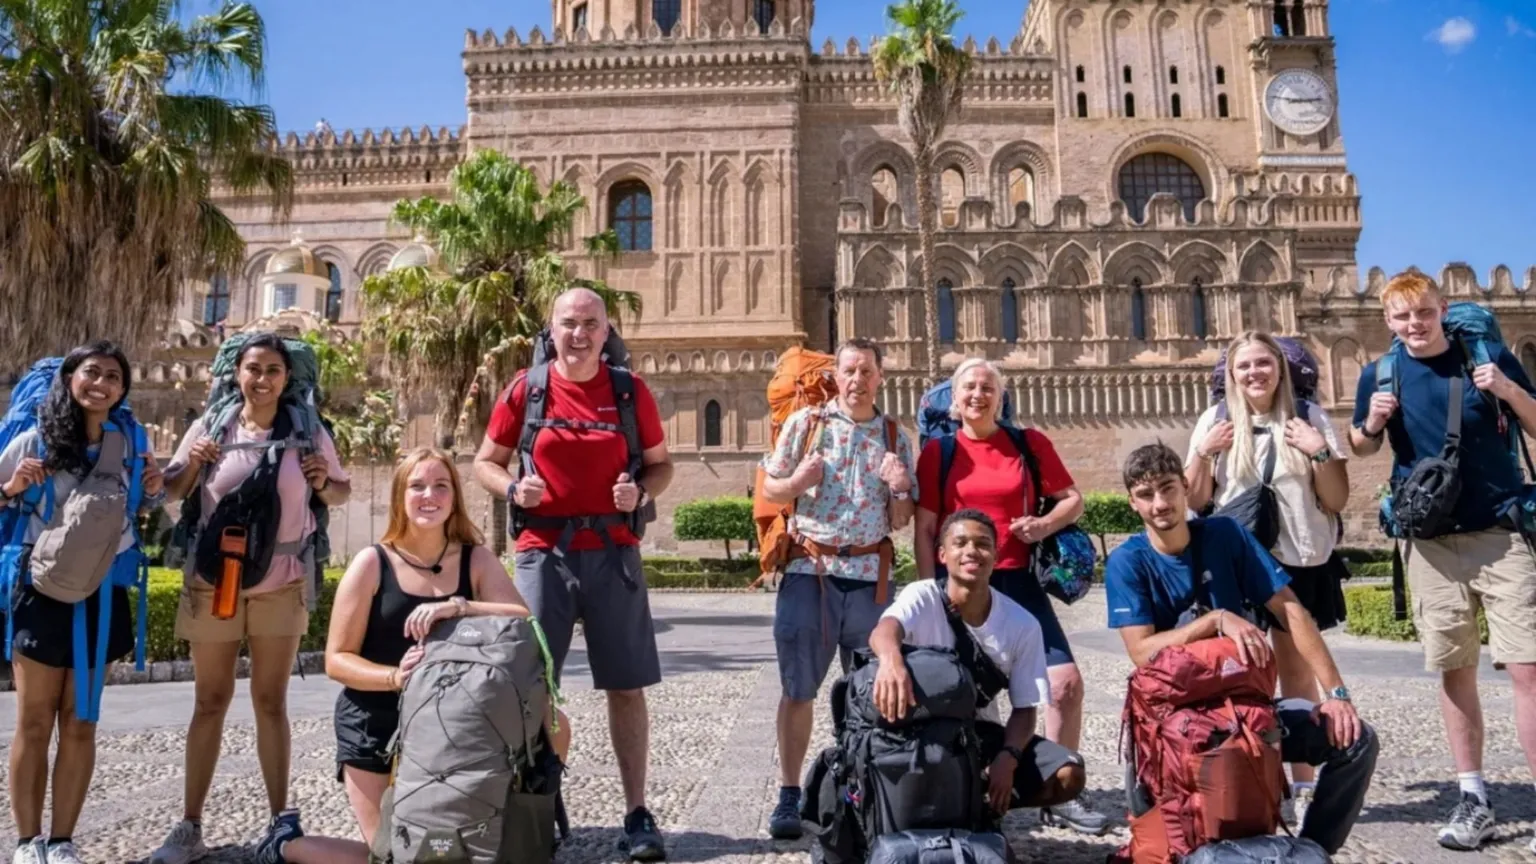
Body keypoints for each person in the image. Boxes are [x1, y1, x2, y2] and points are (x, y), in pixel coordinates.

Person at [259, 448, 570, 864]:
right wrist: (397, 678)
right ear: (400, 497)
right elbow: (336, 659)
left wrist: (457, 606)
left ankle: (526, 824)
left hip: (452, 727)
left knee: (555, 724)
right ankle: (286, 844)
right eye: (417, 486)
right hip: (377, 722)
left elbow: (523, 619)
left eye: (441, 486)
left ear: (454, 497)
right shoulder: (371, 563)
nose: (430, 495)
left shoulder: (475, 558)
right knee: (392, 857)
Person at [472, 287, 673, 861]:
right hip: (543, 552)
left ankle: (637, 812)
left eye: (590, 324)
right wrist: (513, 487)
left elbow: (661, 466)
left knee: (626, 686)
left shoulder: (629, 392)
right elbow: (485, 461)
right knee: (528, 684)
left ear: (606, 332)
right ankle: (528, 803)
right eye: (569, 324)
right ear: (551, 330)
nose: (579, 334)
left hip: (614, 551)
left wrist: (639, 491)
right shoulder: (526, 388)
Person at [1106, 443, 1378, 856]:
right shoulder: (1128, 562)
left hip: (1251, 716)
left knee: (1356, 740)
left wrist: (1336, 695)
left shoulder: (1225, 535)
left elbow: (1290, 609)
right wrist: (1215, 621)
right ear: (1133, 503)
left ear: (1185, 488)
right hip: (1174, 729)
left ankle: (1309, 851)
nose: (1160, 504)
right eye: (1146, 495)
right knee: (1164, 832)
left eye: (1167, 488)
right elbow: (1142, 652)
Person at [1347, 270, 1536, 852]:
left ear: (1442, 308)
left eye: (1423, 313)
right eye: (1402, 317)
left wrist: (1507, 391)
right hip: (1429, 543)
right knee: (1455, 671)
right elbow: (1359, 445)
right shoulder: (1380, 373)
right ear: (1387, 322)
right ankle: (1473, 795)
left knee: (1529, 670)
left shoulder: (1488, 356)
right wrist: (1371, 424)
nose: (1414, 325)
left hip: (1501, 534)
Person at [150, 333, 352, 864]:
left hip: (282, 581)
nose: (261, 379)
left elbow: (340, 491)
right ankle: (190, 825)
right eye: (253, 369)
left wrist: (322, 479)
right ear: (236, 373)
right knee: (209, 702)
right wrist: (193, 462)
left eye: (273, 371)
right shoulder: (211, 426)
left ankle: (280, 822)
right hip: (216, 581)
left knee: (271, 702)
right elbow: (171, 491)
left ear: (287, 379)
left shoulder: (307, 432)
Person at [912, 358, 1105, 835]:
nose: (978, 395)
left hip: (1018, 580)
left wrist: (1042, 525)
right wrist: (929, 592)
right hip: (959, 587)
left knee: (1065, 685)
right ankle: (974, 794)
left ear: (1001, 397)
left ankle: (1056, 790)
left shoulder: (1027, 443)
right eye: (969, 389)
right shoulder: (938, 451)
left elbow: (1072, 498)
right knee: (967, 695)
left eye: (987, 388)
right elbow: (925, 529)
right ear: (954, 402)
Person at [2, 343, 165, 864]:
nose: (102, 383)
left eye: (114, 376)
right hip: (41, 592)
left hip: (103, 591)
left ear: (123, 389)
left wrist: (156, 487)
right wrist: (12, 486)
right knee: (33, 719)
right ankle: (29, 841)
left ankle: (63, 839)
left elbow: (140, 506)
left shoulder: (131, 442)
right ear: (70, 378)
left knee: (81, 720)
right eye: (91, 372)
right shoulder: (34, 439)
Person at [1184, 331, 1351, 820]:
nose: (1255, 373)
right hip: (1237, 566)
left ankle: (1302, 787)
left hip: (1299, 558)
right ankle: (1248, 778)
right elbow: (1195, 501)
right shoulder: (1214, 422)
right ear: (1230, 375)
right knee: (1240, 672)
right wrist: (1203, 452)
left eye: (1263, 363)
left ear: (1279, 367)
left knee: (1297, 673)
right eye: (1244, 366)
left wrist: (1318, 450)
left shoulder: (1309, 418)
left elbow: (1337, 500)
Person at [758, 337, 916, 840]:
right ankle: (788, 794)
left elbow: (901, 520)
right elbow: (770, 488)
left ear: (879, 377)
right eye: (849, 370)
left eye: (866, 371)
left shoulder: (894, 435)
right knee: (798, 689)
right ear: (837, 375)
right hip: (811, 573)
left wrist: (900, 487)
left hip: (871, 582)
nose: (857, 379)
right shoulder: (808, 424)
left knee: (872, 695)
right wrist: (798, 482)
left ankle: (861, 789)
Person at [871, 509, 1088, 821]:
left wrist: (1009, 756)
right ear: (943, 555)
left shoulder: (1022, 624)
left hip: (976, 733)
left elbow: (1026, 708)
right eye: (960, 543)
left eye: (983, 544)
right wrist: (891, 662)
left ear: (995, 555)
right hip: (917, 730)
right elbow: (884, 630)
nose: (971, 550)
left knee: (1068, 773)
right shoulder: (923, 595)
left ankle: (980, 806)